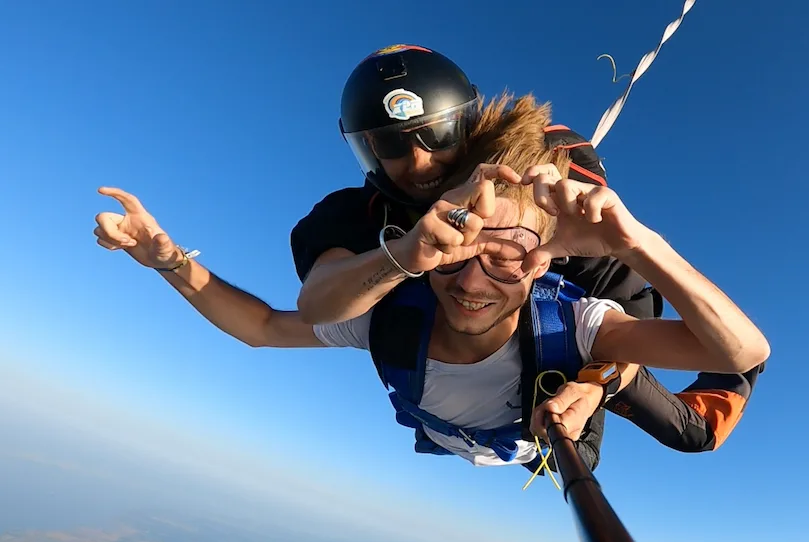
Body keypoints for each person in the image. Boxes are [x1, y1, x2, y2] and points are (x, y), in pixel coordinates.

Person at [93, 94, 770, 472]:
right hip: (469, 427)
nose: (473, 278)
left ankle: (605, 383)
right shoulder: (397, 313)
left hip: (548, 410)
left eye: (507, 256)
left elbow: (737, 356)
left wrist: (639, 245)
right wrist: (170, 261)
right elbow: (265, 328)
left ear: (543, 266)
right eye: (456, 248)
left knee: (685, 432)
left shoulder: (575, 322)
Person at [290, 43, 768, 454]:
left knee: (679, 435)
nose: (419, 163)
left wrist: (596, 383)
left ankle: (716, 393)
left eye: (435, 135)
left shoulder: (552, 195)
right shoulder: (361, 214)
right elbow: (317, 304)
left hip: (591, 335)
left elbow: (630, 329)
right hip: (472, 345)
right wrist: (401, 254)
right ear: (366, 150)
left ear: (466, 127)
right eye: (391, 145)